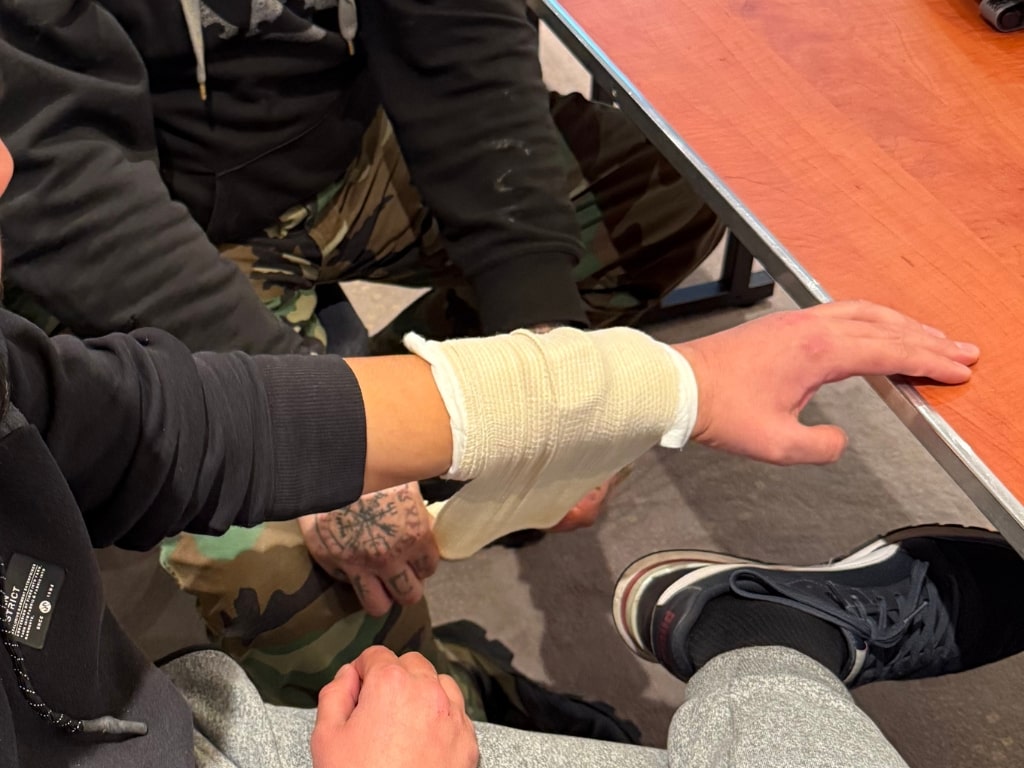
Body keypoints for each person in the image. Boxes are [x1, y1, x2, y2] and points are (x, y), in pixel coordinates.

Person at [0, 136, 990, 767]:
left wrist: (652, 385)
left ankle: (703, 654)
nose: (6, 166)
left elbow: (156, 421)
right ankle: (766, 642)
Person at [0, 0, 726, 708]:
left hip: (339, 149)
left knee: (678, 189)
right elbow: (57, 172)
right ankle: (468, 683)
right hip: (132, 215)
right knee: (310, 606)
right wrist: (326, 437)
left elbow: (458, 29)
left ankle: (447, 473)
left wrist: (541, 336)